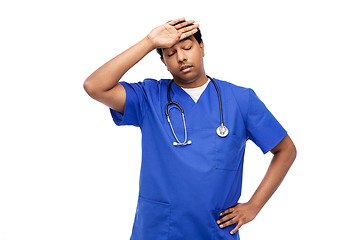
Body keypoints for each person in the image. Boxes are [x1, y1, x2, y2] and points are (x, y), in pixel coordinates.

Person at [83, 17, 297, 240]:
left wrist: (254, 206)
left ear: (202, 48)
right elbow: (94, 86)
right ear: (163, 62)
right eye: (170, 53)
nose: (182, 57)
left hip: (214, 231)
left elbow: (286, 150)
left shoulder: (241, 100)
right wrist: (148, 42)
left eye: (187, 47)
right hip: (157, 231)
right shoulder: (148, 97)